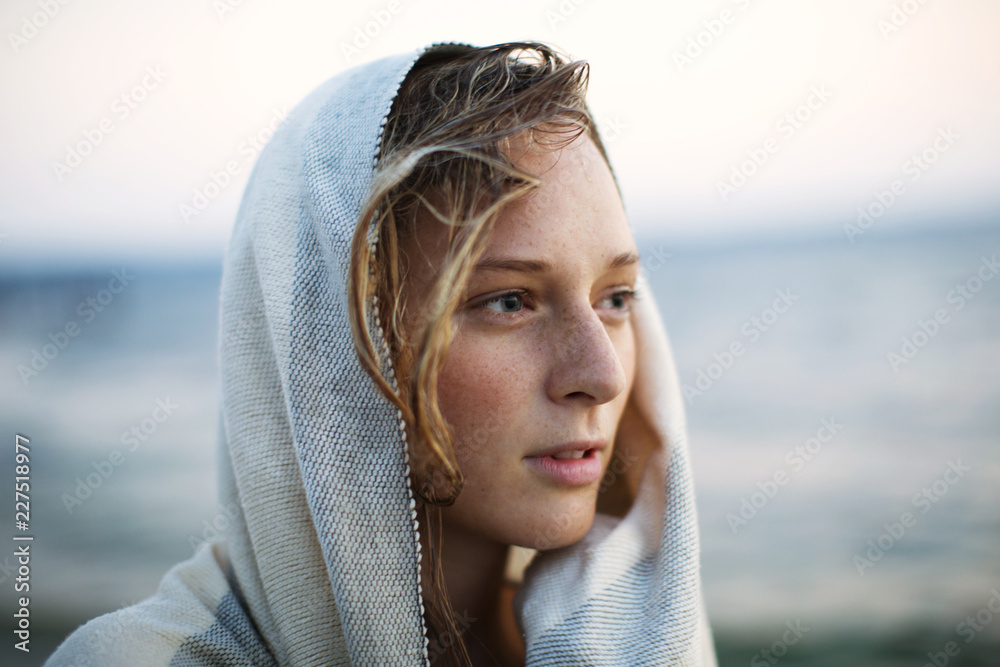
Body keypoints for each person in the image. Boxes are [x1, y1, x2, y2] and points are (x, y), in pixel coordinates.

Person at [45, 41, 717, 666]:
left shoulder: (617, 636)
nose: (600, 375)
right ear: (332, 338)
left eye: (617, 297)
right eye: (509, 301)